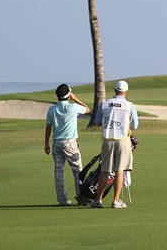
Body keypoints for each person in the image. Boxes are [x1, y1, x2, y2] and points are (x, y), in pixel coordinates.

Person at [91, 80, 139, 209]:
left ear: (115, 90)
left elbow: (97, 121)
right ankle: (116, 201)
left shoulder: (105, 104)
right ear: (126, 92)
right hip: (123, 141)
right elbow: (135, 125)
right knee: (119, 170)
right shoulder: (129, 105)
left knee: (104, 171)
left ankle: (98, 200)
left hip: (107, 140)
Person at [44, 84, 90, 206]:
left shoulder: (51, 110)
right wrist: (75, 98)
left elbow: (48, 127)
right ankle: (81, 197)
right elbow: (87, 109)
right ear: (68, 95)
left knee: (59, 171)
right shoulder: (74, 107)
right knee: (78, 171)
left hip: (56, 143)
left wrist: (46, 144)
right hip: (70, 144)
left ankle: (62, 199)